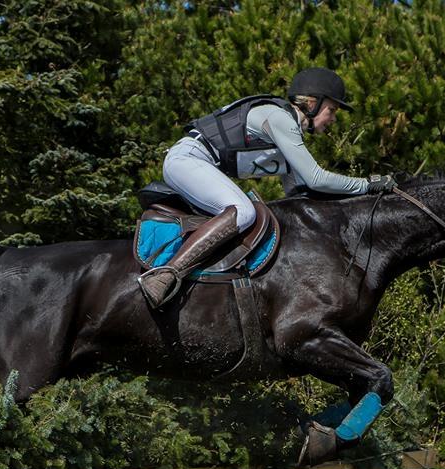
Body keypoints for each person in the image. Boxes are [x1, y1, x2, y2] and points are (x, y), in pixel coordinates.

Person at [138, 67, 396, 308]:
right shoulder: (279, 118)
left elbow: (299, 193)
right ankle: (165, 275)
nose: (333, 118)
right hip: (188, 159)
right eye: (332, 109)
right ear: (312, 103)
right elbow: (316, 178)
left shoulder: (287, 130)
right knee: (244, 211)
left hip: (197, 163)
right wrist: (368, 185)